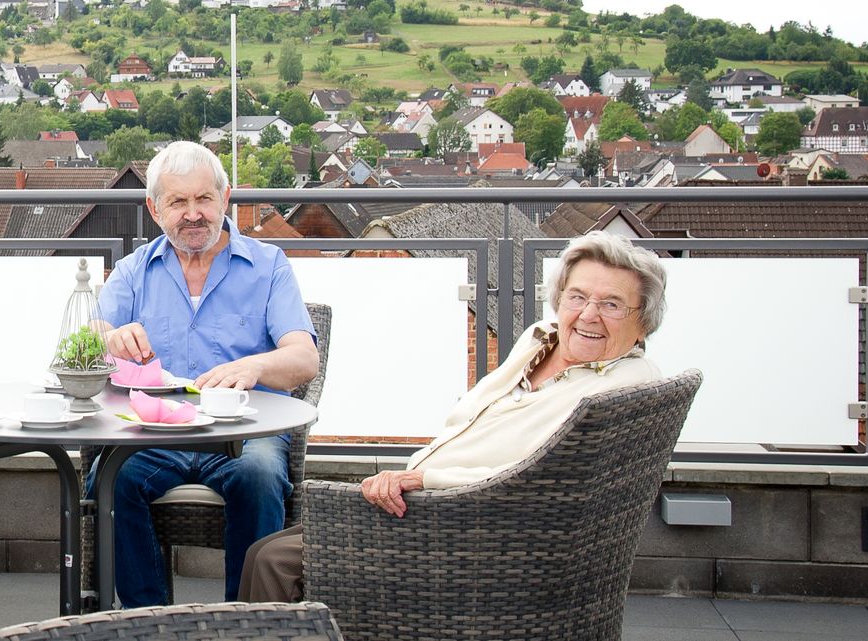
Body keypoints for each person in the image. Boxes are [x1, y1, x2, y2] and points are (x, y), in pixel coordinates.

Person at [240, 231, 667, 603]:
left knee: (273, 562)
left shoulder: (625, 386)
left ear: (642, 323)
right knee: (266, 550)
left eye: (612, 305)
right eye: (577, 297)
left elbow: (544, 479)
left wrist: (424, 480)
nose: (588, 315)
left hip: (473, 529)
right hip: (425, 501)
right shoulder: (540, 339)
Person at [89, 141, 320, 606]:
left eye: (203, 199)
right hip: (159, 432)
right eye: (177, 202)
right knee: (109, 481)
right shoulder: (134, 271)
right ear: (155, 209)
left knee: (258, 476)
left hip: (247, 430)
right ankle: (148, 620)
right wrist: (108, 337)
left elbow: (304, 359)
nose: (193, 214)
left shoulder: (269, 265)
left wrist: (255, 365)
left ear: (225, 198)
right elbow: (89, 337)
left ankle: (247, 618)